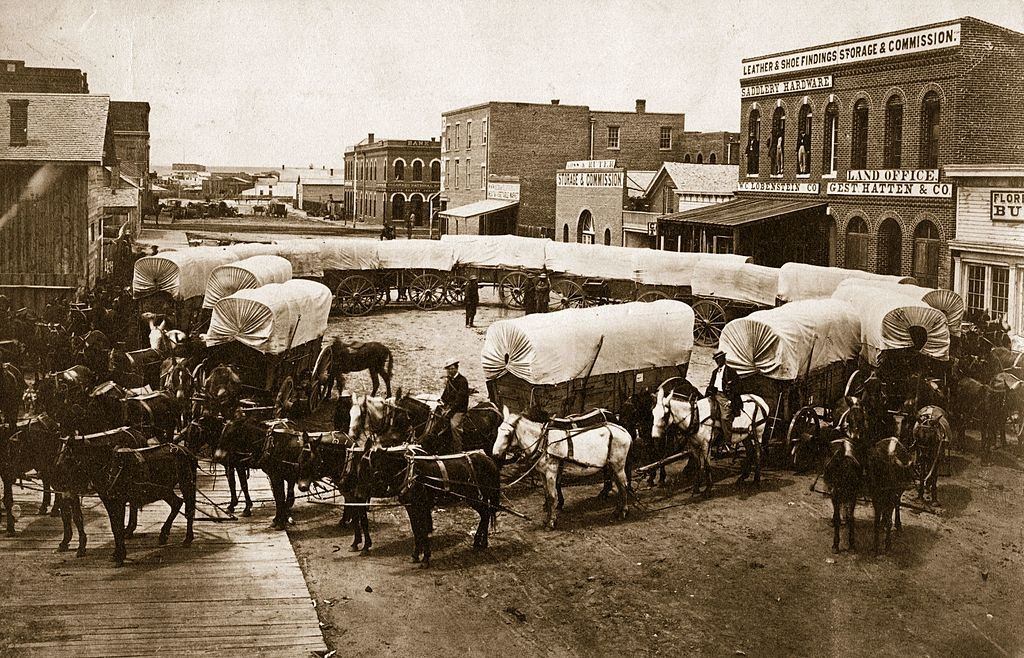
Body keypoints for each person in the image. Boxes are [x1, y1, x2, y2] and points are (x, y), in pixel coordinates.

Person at [706, 350, 740, 444]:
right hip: (714, 395)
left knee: (725, 418)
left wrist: (730, 401)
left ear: (723, 359)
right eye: (716, 360)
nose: (718, 361)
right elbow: (711, 385)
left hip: (726, 397)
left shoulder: (731, 371)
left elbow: (737, 387)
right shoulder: (714, 372)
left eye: (719, 359)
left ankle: (728, 440)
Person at [439, 360, 469, 452]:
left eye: (452, 369)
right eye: (448, 369)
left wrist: (450, 411)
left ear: (457, 368)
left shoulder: (462, 381)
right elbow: (445, 395)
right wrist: (441, 401)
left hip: (459, 409)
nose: (450, 371)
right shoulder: (450, 380)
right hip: (450, 407)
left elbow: (460, 400)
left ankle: (458, 450)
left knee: (454, 426)